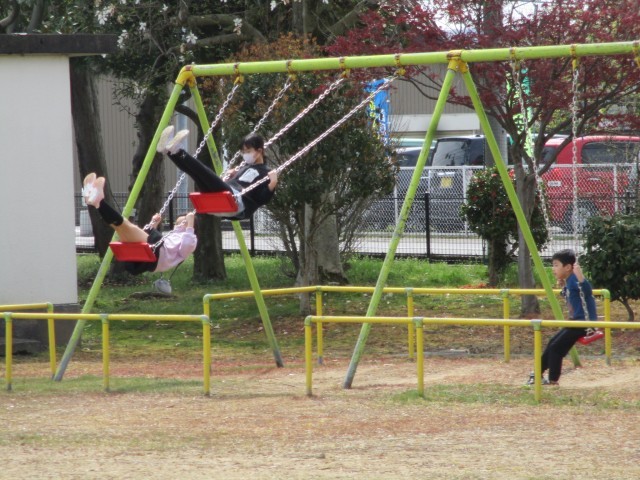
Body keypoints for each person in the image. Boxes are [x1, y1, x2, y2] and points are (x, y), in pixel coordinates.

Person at [82, 173, 197, 276]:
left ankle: (99, 201)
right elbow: (157, 240)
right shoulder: (175, 234)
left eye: (185, 221)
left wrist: (190, 223)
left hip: (156, 255)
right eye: (180, 221)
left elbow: (185, 247)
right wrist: (154, 224)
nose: (182, 222)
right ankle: (97, 203)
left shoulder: (191, 239)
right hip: (155, 251)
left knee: (126, 226)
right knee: (119, 226)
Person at [156, 126, 278, 220]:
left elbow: (262, 199)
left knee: (203, 171)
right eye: (243, 152)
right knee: (195, 173)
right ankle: (169, 151)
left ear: (259, 151)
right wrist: (229, 176)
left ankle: (178, 150)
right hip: (224, 197)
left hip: (236, 201)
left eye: (248, 151)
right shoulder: (244, 167)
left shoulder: (266, 172)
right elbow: (236, 183)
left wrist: (272, 183)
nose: (245, 154)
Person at [526, 249, 597, 386]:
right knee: (552, 343)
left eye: (556, 265)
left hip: (583, 324)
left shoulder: (575, 279)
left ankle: (553, 380)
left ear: (568, 267)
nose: (553, 268)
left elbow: (587, 291)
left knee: (556, 348)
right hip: (575, 323)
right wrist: (564, 286)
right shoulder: (569, 280)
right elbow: (572, 296)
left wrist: (581, 278)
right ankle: (537, 373)